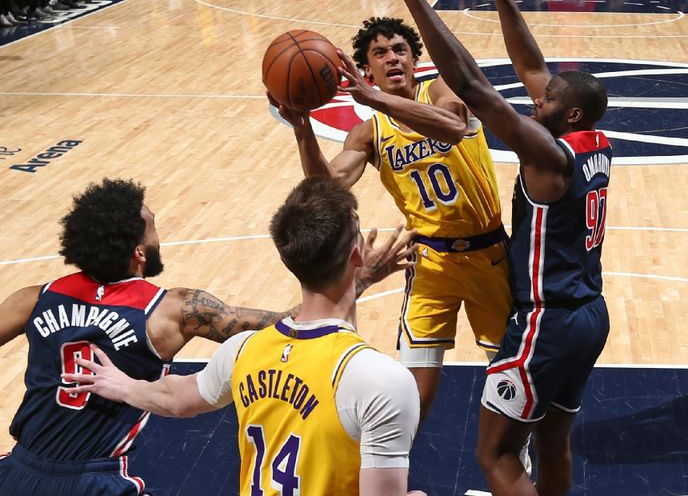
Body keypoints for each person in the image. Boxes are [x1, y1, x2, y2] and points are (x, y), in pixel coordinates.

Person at [0, 177, 402, 495]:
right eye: (153, 228)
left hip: (17, 470)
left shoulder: (32, 299)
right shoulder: (173, 310)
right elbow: (289, 324)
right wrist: (357, 278)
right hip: (94, 479)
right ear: (139, 252)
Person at [394, 0, 611, 495]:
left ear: (566, 117)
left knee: (496, 455)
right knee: (553, 439)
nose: (535, 97)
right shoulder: (589, 139)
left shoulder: (547, 156)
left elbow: (470, 84)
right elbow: (534, 67)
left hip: (548, 321)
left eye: (546, 101)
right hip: (590, 314)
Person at [272, 14, 511, 423]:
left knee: (509, 377)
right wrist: (302, 129)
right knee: (414, 392)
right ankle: (393, 478)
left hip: (488, 255)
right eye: (379, 53)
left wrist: (375, 98)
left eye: (400, 49)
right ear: (367, 69)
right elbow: (328, 188)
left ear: (415, 61)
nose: (392, 58)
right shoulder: (369, 132)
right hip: (430, 265)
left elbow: (453, 126)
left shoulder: (441, 89)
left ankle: (518, 463)